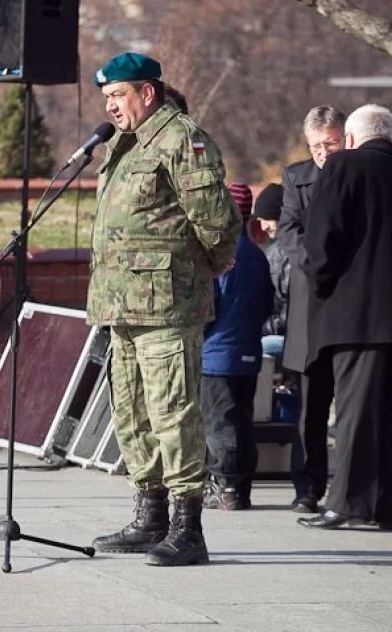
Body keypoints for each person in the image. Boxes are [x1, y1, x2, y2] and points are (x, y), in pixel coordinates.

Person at [87, 52, 241, 566]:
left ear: (147, 92)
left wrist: (204, 270)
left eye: (118, 95)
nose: (110, 106)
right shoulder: (126, 143)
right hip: (122, 308)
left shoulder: (181, 139)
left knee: (173, 412)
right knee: (131, 414)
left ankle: (187, 527)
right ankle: (150, 515)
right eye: (106, 98)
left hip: (167, 306)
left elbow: (218, 222)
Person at [301, 104, 392, 530]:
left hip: (354, 316)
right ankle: (385, 506)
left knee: (356, 414)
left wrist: (321, 285)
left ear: (350, 138)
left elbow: (322, 238)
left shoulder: (343, 166)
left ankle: (347, 504)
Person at [276, 105, 346, 513]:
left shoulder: (358, 175)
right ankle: (307, 487)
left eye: (330, 144)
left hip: (348, 298)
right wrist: (317, 264)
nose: (322, 152)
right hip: (309, 300)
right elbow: (288, 231)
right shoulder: (296, 177)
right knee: (310, 407)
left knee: (351, 404)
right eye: (316, 145)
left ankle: (350, 487)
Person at [201, 182, 274, 511]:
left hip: (218, 355)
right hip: (248, 352)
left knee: (220, 422)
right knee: (243, 420)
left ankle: (225, 486)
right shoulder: (257, 255)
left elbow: (207, 306)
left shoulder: (221, 254)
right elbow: (268, 303)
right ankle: (240, 488)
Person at [250, 183, 288, 360]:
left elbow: (289, 314)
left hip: (285, 336)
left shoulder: (287, 254)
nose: (263, 227)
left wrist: (260, 329)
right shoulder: (275, 251)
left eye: (266, 219)